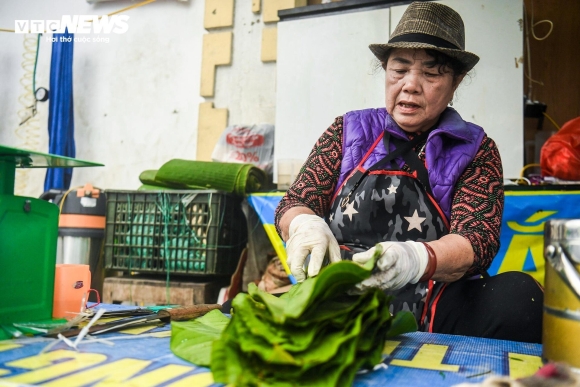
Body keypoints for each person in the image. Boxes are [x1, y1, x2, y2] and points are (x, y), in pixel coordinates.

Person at [275, 1, 543, 343]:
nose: (411, 85)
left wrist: (415, 258)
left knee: (519, 297)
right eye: (399, 69)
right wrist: (303, 224)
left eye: (431, 73)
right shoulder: (347, 131)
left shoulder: (476, 149)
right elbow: (298, 200)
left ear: (456, 81)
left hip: (437, 304)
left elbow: (478, 240)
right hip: (343, 298)